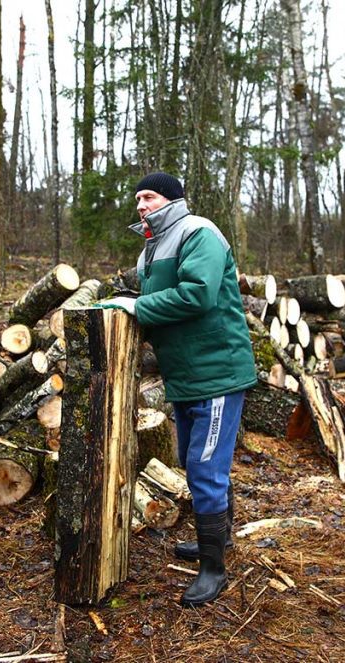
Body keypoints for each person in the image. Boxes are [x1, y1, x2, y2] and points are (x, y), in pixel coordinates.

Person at [99, 172, 257, 607]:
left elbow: (198, 295)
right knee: (194, 460)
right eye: (137, 198)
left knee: (205, 467)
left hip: (217, 371)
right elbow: (160, 310)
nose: (140, 205)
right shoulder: (151, 247)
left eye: (148, 196)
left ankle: (213, 569)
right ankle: (219, 539)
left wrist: (137, 306)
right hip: (185, 374)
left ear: (171, 199)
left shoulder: (197, 232)